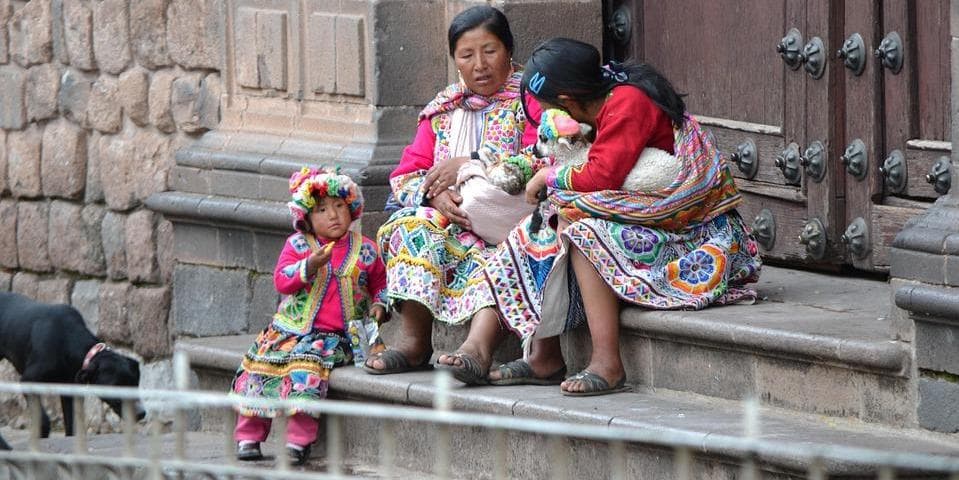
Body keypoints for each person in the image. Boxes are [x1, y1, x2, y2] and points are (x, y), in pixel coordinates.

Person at [437, 38, 763, 396]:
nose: (547, 118)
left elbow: (603, 173)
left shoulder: (627, 103)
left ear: (567, 101)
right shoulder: (592, 104)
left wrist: (548, 177)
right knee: (537, 229)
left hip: (688, 228)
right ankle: (540, 355)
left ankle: (608, 362)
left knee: (583, 234)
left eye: (548, 108)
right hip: (636, 210)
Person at [364, 6, 543, 374]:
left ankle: (477, 349)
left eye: (490, 51)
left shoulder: (531, 102)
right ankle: (414, 342)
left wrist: (469, 163)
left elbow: (540, 156)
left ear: (509, 50)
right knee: (410, 227)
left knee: (510, 251)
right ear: (454, 60)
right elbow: (406, 174)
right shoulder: (443, 109)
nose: (480, 65)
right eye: (466, 55)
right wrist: (434, 196)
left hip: (506, 222)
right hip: (452, 223)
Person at [230, 166, 387, 465]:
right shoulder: (298, 245)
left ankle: (297, 442)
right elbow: (282, 280)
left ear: (352, 208)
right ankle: (249, 435)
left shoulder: (366, 250)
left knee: (306, 372)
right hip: (288, 330)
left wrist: (381, 305)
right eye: (322, 210)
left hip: (336, 338)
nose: (333, 215)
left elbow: (381, 283)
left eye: (339, 206)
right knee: (260, 365)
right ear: (307, 218)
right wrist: (309, 266)